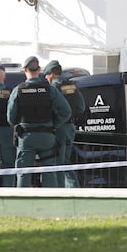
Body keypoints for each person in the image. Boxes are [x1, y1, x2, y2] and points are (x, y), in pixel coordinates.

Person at [7, 56, 71, 187]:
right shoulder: (50, 89)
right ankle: (51, 202)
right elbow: (66, 111)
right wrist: (54, 125)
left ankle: (23, 203)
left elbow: (10, 117)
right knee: (49, 171)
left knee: (23, 172)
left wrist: (17, 126)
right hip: (47, 136)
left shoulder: (18, 90)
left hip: (26, 137)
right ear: (40, 69)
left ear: (24, 69)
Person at [43, 60, 85, 188]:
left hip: (59, 128)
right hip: (70, 128)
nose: (46, 78)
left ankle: (66, 192)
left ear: (51, 74)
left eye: (46, 75)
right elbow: (81, 107)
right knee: (65, 161)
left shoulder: (53, 88)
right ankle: (73, 189)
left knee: (59, 162)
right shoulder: (72, 86)